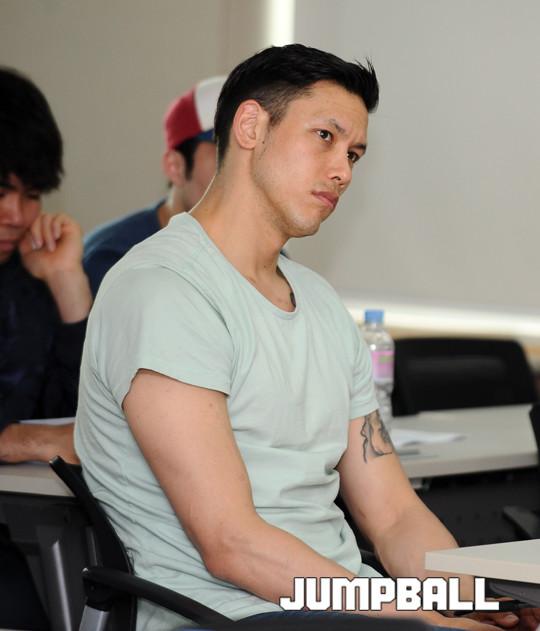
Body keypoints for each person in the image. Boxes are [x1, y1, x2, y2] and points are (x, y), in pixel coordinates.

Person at [74, 45, 540, 631]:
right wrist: (427, 621)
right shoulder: (163, 290)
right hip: (230, 617)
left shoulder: (319, 302)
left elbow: (394, 515)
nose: (343, 171)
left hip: (342, 610)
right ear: (250, 126)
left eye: (354, 154)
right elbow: (231, 543)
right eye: (325, 137)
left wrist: (480, 606)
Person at [0, 66, 92, 630]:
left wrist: (66, 283)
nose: (17, 215)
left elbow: (84, 409)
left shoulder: (28, 280)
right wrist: (18, 439)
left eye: (31, 195)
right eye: (0, 191)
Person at [83, 75, 226, 296]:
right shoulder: (113, 258)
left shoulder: (266, 257)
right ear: (175, 167)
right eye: (225, 151)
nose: (243, 169)